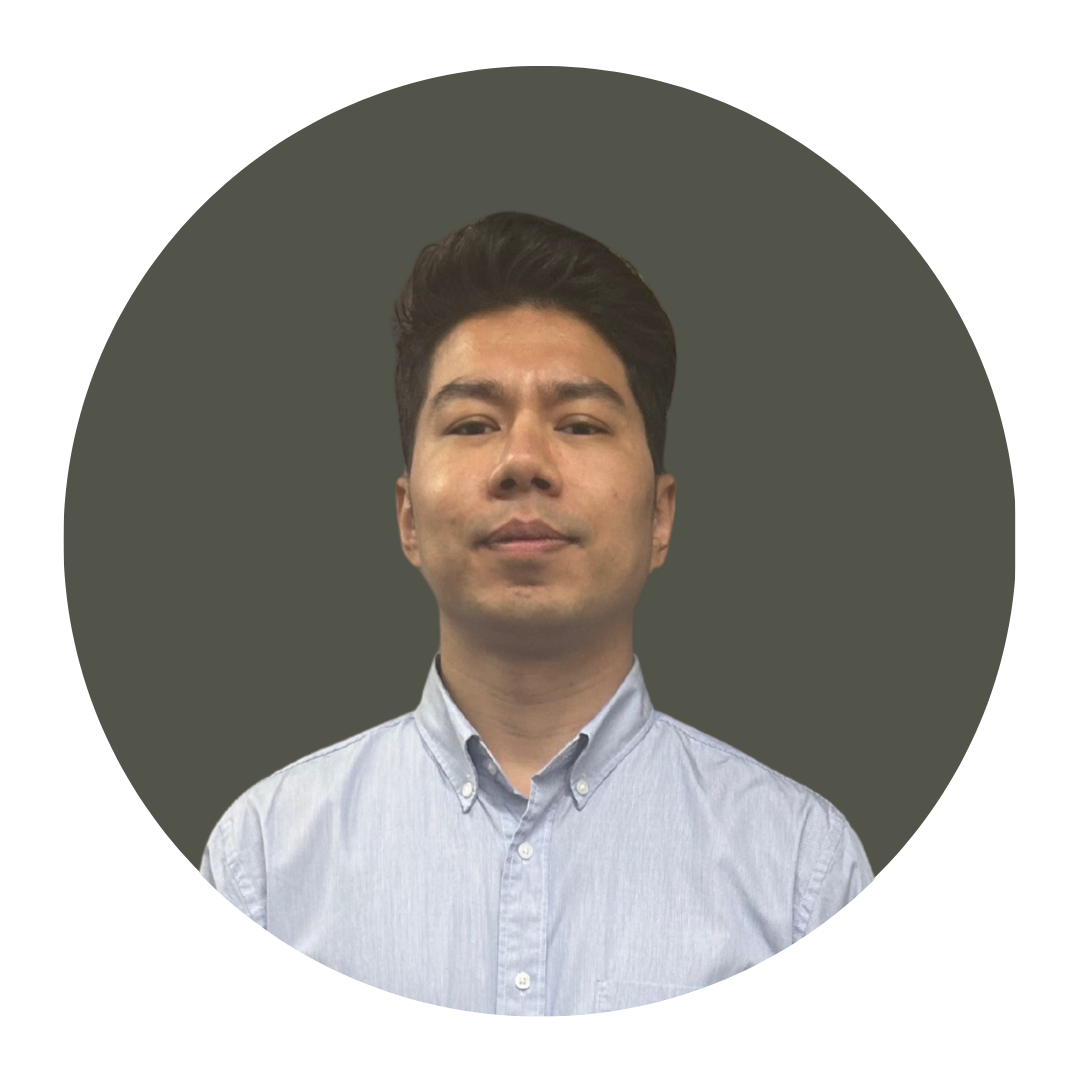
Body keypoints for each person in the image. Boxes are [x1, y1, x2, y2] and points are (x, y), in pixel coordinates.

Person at [199, 211, 875, 1013]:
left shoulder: (800, 872)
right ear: (407, 516)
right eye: (473, 423)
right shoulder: (265, 862)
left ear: (660, 517)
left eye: (580, 423)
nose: (523, 462)